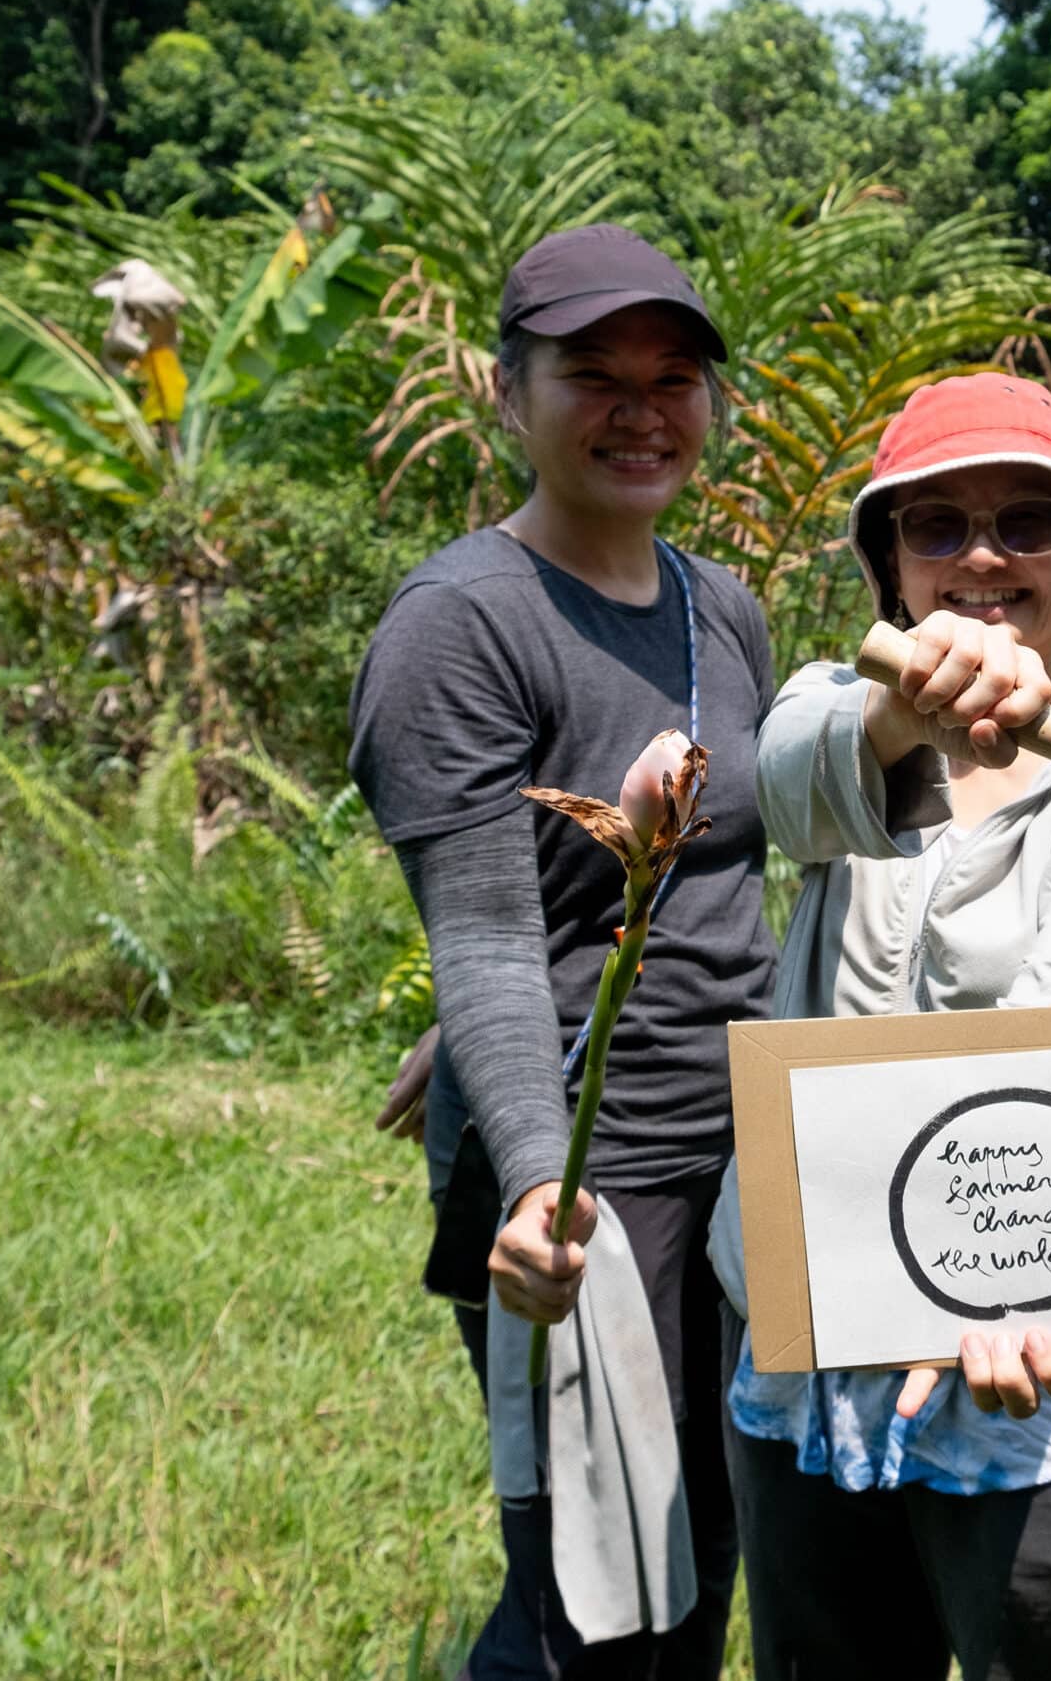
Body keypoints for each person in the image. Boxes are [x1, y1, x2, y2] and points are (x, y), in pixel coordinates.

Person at [712, 372, 1051, 1680]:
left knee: (1040, 1640)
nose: (982, 557)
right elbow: (784, 791)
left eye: (1027, 523)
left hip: (1019, 1342)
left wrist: (994, 1271)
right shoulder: (836, 715)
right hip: (808, 1323)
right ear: (888, 562)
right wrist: (902, 709)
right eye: (935, 526)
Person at [347, 223, 775, 1680]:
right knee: (592, 1587)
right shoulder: (460, 627)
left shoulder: (727, 612)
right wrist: (533, 1172)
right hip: (597, 1160)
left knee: (713, 1538)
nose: (641, 410)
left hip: (748, 1144)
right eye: (592, 373)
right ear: (503, 388)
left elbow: (733, 873)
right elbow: (476, 922)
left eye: (674, 376)